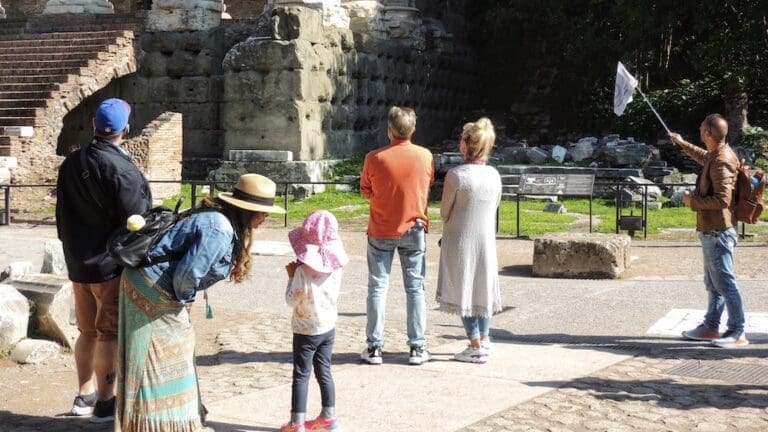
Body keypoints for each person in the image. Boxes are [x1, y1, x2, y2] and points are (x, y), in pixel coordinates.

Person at [114, 174, 286, 432]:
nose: (265, 218)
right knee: (167, 357)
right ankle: (161, 423)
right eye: (263, 212)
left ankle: (153, 421)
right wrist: (185, 300)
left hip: (146, 281)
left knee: (157, 355)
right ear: (247, 211)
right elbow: (187, 274)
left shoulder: (217, 218)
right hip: (154, 288)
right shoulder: (221, 228)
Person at [56, 98, 152, 422]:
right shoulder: (123, 168)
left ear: (94, 126)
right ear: (126, 129)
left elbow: (61, 216)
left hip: (78, 262)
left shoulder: (71, 163)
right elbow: (138, 219)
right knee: (108, 333)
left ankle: (83, 396)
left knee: (86, 331)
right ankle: (105, 403)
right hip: (109, 265)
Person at [359, 106, 434, 366]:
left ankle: (374, 347)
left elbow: (366, 190)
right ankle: (417, 347)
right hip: (414, 227)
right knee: (415, 289)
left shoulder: (374, 158)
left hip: (381, 228)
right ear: (413, 129)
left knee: (377, 287)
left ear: (389, 130)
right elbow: (427, 186)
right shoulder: (425, 156)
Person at [669, 113, 749, 348]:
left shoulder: (722, 159)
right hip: (712, 230)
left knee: (725, 282)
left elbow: (723, 200)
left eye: (702, 127)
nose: (699, 128)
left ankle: (737, 331)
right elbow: (705, 158)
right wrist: (682, 143)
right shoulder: (717, 154)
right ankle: (711, 326)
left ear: (708, 133)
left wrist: (691, 201)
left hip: (718, 231)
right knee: (713, 283)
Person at [436, 118, 502, 364]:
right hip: (484, 238)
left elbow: (444, 212)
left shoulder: (456, 176)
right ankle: (484, 338)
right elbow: (494, 206)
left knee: (463, 288)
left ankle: (475, 343)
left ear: (466, 144)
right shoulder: (494, 175)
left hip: (460, 238)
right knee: (481, 288)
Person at [281, 210, 348, 432]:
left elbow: (292, 300)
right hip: (328, 326)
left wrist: (291, 277)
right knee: (324, 370)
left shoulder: (301, 271)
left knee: (301, 374)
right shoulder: (335, 267)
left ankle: (296, 422)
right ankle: (328, 417)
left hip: (305, 330)